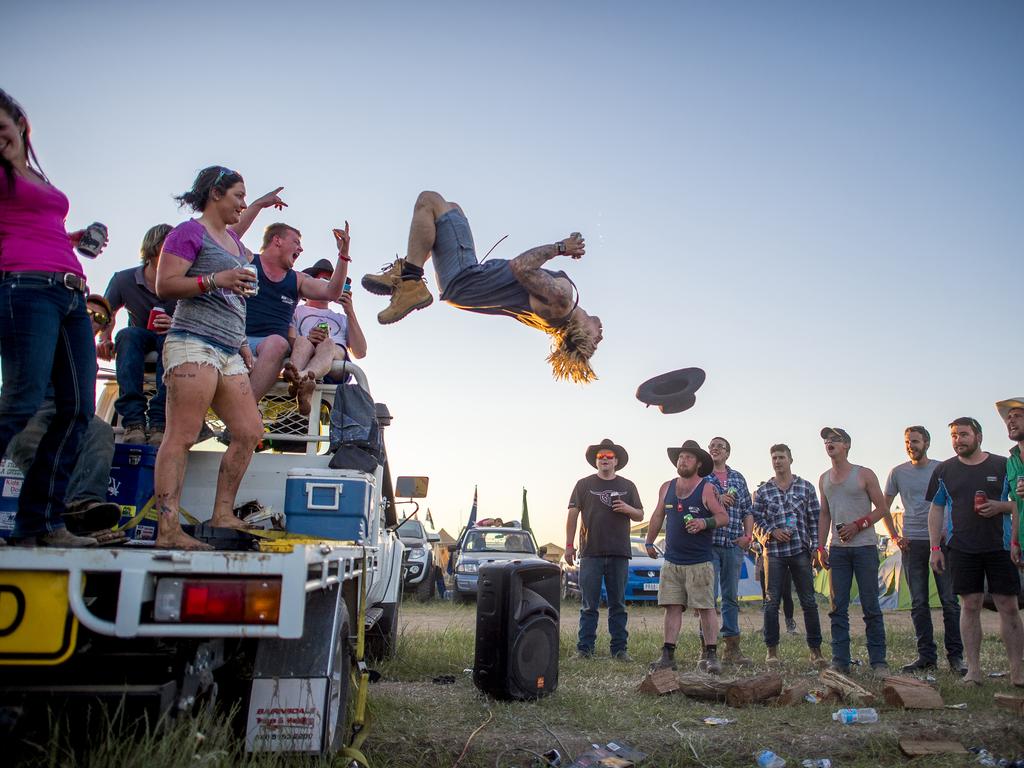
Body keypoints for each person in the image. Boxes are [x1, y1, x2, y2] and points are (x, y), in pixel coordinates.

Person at [153, 165, 276, 550]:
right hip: (193, 341)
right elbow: (164, 285)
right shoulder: (189, 232)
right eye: (238, 196)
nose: (242, 203)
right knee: (183, 435)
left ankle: (223, 512)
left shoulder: (237, 247)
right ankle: (168, 530)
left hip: (228, 349)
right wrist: (213, 280)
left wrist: (242, 345)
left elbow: (234, 298)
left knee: (250, 431)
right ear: (216, 194)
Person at [362, 191, 603, 383]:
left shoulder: (562, 302)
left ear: (580, 333)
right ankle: (404, 274)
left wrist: (561, 247)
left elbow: (520, 267)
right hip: (464, 283)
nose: (601, 336)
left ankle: (410, 281)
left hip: (464, 278)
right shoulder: (554, 319)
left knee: (429, 201)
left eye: (595, 341)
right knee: (452, 209)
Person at [0, 88, 101, 547]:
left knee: (78, 410)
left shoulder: (34, 176)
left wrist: (76, 237)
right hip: (24, 290)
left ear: (20, 123)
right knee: (20, 402)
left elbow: (39, 225)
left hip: (71, 295)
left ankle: (40, 525)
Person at [5, 294, 121, 533]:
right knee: (33, 447)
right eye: (86, 313)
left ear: (105, 326)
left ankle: (86, 504)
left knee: (100, 430)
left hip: (69, 412)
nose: (91, 320)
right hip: (34, 408)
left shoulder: (89, 355)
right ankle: (68, 518)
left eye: (99, 317)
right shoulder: (47, 335)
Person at [927, 417, 1022, 686]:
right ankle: (974, 671)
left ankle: (1017, 671)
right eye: (955, 435)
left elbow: (1019, 503)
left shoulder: (1003, 465)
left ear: (978, 436)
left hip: (1000, 546)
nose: (959, 440)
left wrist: (999, 506)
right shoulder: (944, 470)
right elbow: (936, 509)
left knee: (1009, 606)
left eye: (964, 434)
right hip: (962, 548)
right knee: (969, 606)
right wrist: (935, 548)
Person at [816, 427, 901, 674]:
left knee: (870, 605)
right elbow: (824, 514)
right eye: (826, 441)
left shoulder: (863, 474)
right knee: (837, 607)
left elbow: (883, 508)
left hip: (864, 547)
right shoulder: (824, 479)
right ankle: (840, 661)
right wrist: (820, 546)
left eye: (835, 440)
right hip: (838, 550)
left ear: (847, 445)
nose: (829, 443)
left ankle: (878, 662)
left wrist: (858, 525)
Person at [884, 426, 965, 674]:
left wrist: (948, 529)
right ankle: (926, 656)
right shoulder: (897, 472)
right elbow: (884, 507)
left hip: (942, 542)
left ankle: (956, 657)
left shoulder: (942, 469)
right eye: (907, 442)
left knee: (949, 601)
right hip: (912, 543)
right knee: (919, 602)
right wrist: (895, 536)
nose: (911, 446)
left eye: (915, 442)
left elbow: (955, 501)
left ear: (927, 443)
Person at [245, 223, 351, 409]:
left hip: (269, 345)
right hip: (235, 338)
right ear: (277, 240)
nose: (301, 248)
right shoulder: (247, 260)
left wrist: (343, 255)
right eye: (296, 242)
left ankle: (246, 411)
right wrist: (258, 205)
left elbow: (332, 292)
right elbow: (225, 237)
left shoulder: (297, 279)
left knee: (279, 344)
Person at [646, 440, 729, 674]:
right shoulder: (667, 487)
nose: (683, 460)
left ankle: (711, 655)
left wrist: (704, 522)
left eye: (688, 457)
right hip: (672, 561)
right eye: (681, 457)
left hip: (700, 562)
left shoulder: (706, 488)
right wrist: (649, 541)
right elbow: (656, 516)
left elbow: (723, 517)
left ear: (698, 463)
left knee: (706, 608)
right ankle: (667, 655)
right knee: (671, 607)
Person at [98, 224, 177, 446]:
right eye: (170, 246)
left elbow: (200, 314)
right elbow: (106, 311)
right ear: (153, 249)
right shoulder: (124, 279)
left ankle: (160, 421)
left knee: (172, 340)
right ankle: (134, 422)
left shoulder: (182, 281)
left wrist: (175, 323)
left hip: (172, 338)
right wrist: (105, 338)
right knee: (128, 335)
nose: (177, 252)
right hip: (140, 338)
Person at [565, 439, 644, 661]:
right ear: (596, 462)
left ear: (616, 461)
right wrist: (569, 546)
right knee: (589, 604)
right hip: (590, 552)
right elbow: (572, 514)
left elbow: (640, 514)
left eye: (609, 456)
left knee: (617, 604)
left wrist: (627, 508)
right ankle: (584, 649)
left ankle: (619, 650)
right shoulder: (583, 484)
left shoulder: (628, 486)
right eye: (601, 456)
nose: (605, 459)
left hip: (619, 552)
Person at [752, 444, 827, 668]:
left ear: (791, 460)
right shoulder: (764, 491)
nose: (777, 461)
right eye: (774, 457)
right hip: (773, 552)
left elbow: (815, 518)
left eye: (781, 457)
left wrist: (817, 547)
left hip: (800, 551)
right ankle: (772, 651)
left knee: (808, 601)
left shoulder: (806, 488)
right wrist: (770, 532)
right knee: (771, 601)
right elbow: (755, 520)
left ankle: (816, 651)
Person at [285, 257, 367, 414]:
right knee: (302, 340)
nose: (330, 285)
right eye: (323, 280)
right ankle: (305, 383)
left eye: (333, 281)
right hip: (305, 354)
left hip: (335, 363)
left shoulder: (342, 318)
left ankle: (299, 377)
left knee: (328, 344)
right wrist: (309, 338)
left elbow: (360, 352)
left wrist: (350, 311)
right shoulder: (296, 311)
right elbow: (289, 341)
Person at [705, 437, 754, 665]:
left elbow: (747, 510)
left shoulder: (738, 478)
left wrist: (748, 536)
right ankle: (707, 649)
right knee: (708, 599)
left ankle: (732, 649)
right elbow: (696, 506)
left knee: (730, 598)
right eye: (711, 446)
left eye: (719, 447)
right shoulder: (704, 477)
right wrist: (716, 497)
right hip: (710, 544)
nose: (715, 449)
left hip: (734, 544)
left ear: (727, 453)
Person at [997, 398, 1024, 574]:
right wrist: (1014, 542)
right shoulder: (1011, 461)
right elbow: (1015, 505)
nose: (1010, 420)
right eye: (1009, 417)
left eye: (1018, 416)